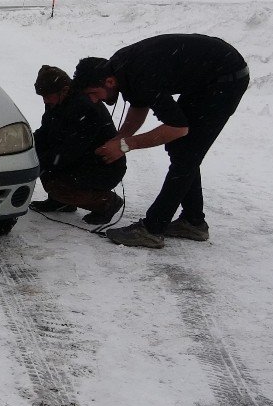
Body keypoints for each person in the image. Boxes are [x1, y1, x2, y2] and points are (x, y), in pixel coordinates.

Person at [72, 34, 249, 248]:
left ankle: (152, 229)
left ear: (108, 82)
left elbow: (177, 128)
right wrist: (119, 139)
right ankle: (193, 222)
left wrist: (126, 145)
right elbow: (139, 106)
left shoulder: (140, 76)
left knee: (186, 155)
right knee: (181, 150)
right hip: (205, 79)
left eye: (94, 93)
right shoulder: (120, 69)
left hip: (226, 80)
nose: (94, 100)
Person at [29, 65, 126, 225]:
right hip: (79, 158)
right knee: (43, 159)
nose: (45, 100)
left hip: (103, 166)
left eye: (47, 96)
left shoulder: (85, 108)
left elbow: (71, 150)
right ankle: (60, 201)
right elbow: (47, 130)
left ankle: (106, 202)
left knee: (55, 178)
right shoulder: (56, 102)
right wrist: (28, 145)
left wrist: (39, 163)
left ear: (64, 90)